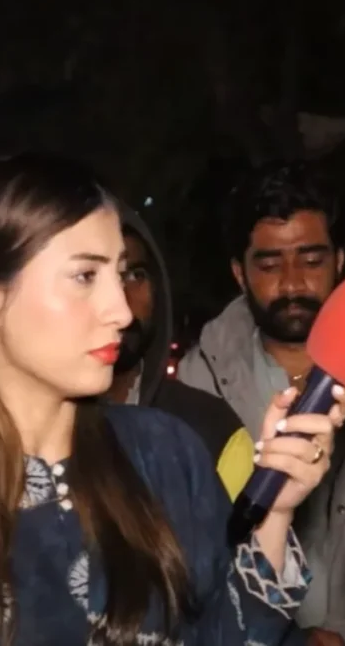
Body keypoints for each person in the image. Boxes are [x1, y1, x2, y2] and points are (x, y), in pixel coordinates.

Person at [0, 152, 345, 645]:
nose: (121, 310)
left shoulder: (167, 455)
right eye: (84, 276)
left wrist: (276, 513)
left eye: (120, 275)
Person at [178, 161, 345, 646]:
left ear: (339, 261)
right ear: (239, 273)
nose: (291, 283)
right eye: (269, 265)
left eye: (311, 261)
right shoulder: (197, 386)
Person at [105, 203, 255, 500]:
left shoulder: (211, 431)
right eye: (88, 277)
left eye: (134, 275)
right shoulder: (22, 433)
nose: (120, 301)